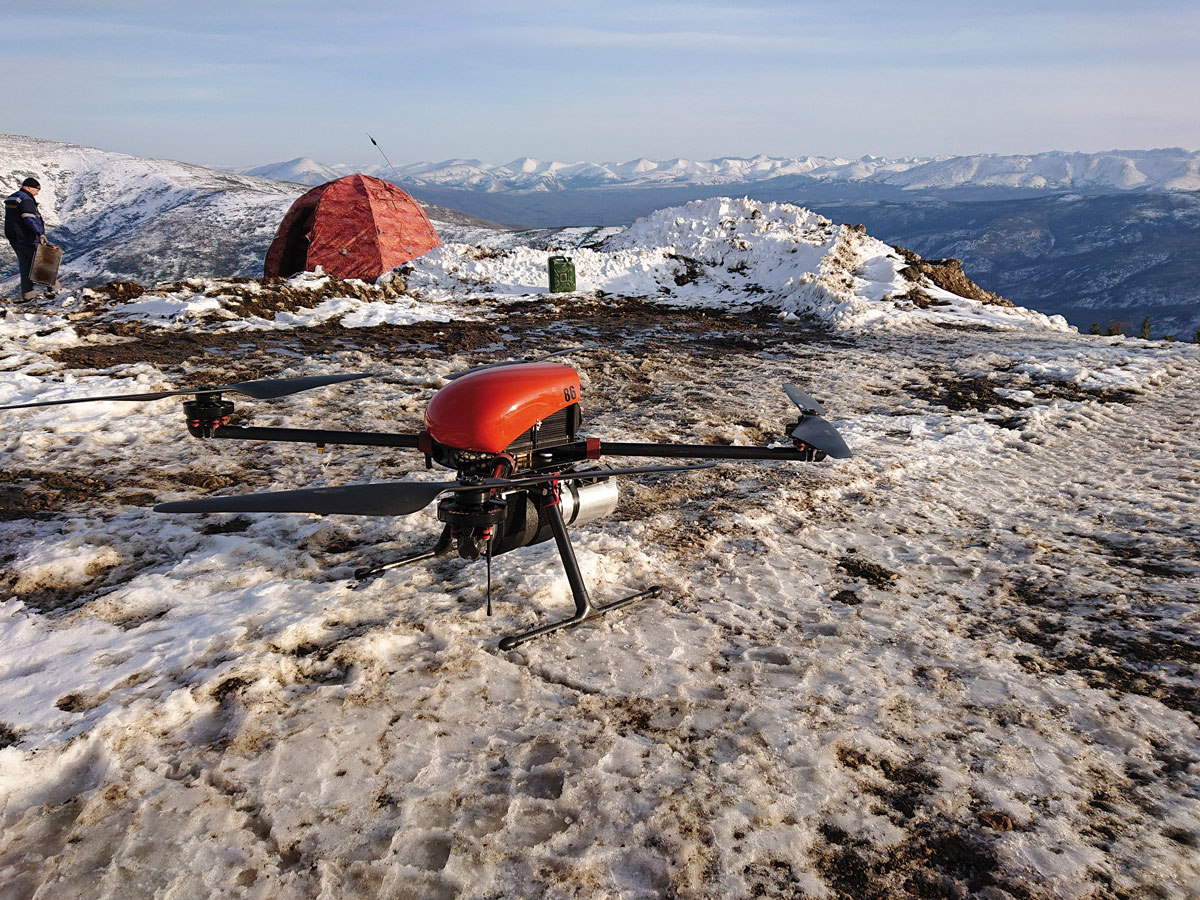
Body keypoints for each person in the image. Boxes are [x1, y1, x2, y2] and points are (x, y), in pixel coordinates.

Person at [4, 177, 47, 300]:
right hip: (27, 238)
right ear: (28, 187)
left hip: (15, 238)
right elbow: (28, 219)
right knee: (43, 264)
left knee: (25, 266)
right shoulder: (26, 200)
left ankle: (28, 295)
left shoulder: (13, 198)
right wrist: (39, 234)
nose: (37, 193)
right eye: (36, 190)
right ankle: (55, 290)